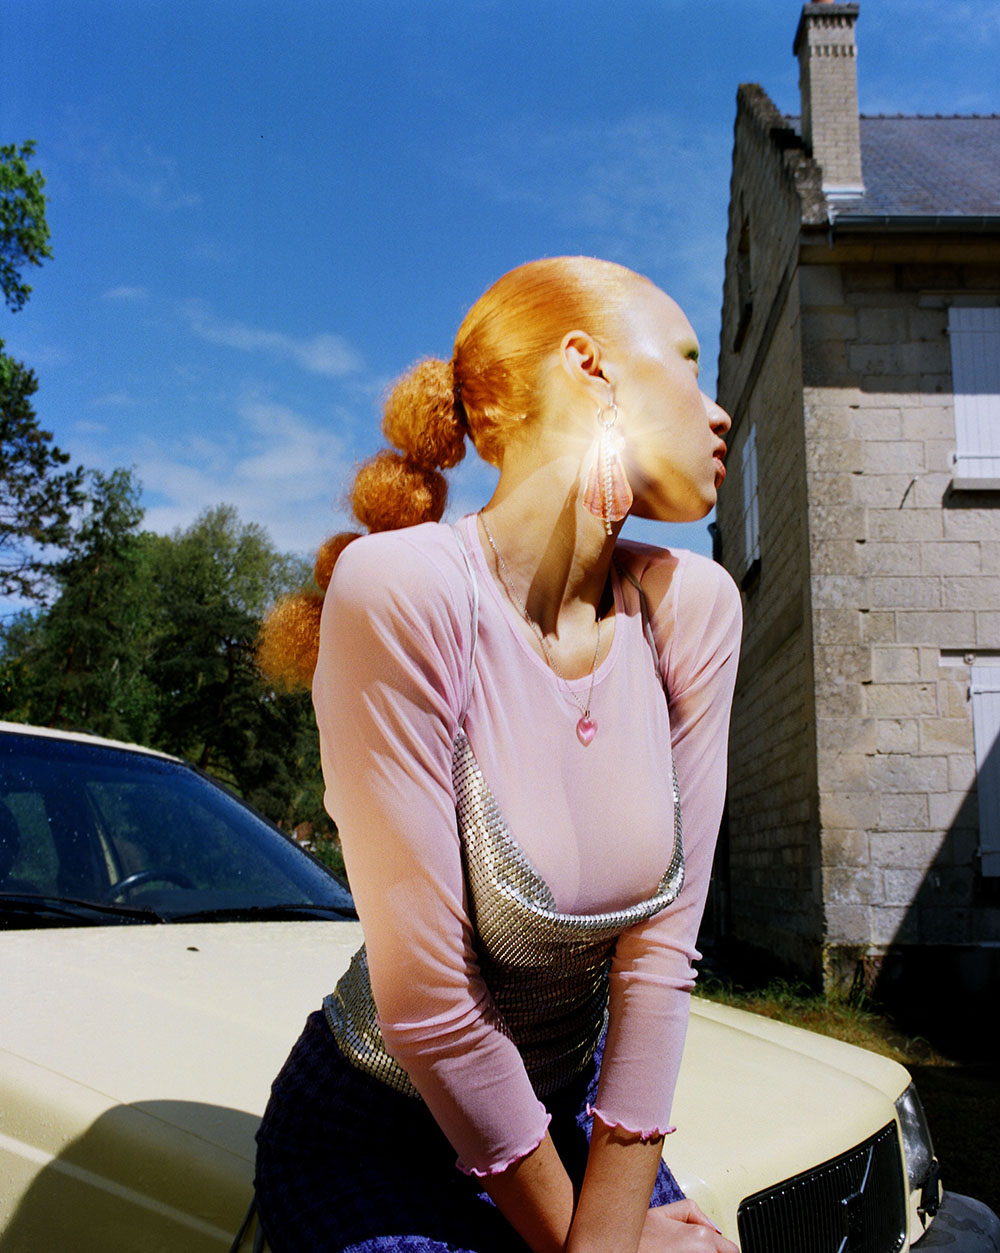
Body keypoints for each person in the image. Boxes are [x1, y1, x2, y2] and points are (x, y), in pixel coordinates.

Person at [254, 256, 742, 1253]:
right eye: (688, 365)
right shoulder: (403, 591)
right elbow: (430, 1005)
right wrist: (605, 1246)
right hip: (375, 1133)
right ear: (589, 366)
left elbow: (659, 963)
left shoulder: (692, 607)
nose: (719, 408)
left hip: (568, 1120)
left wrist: (606, 1228)